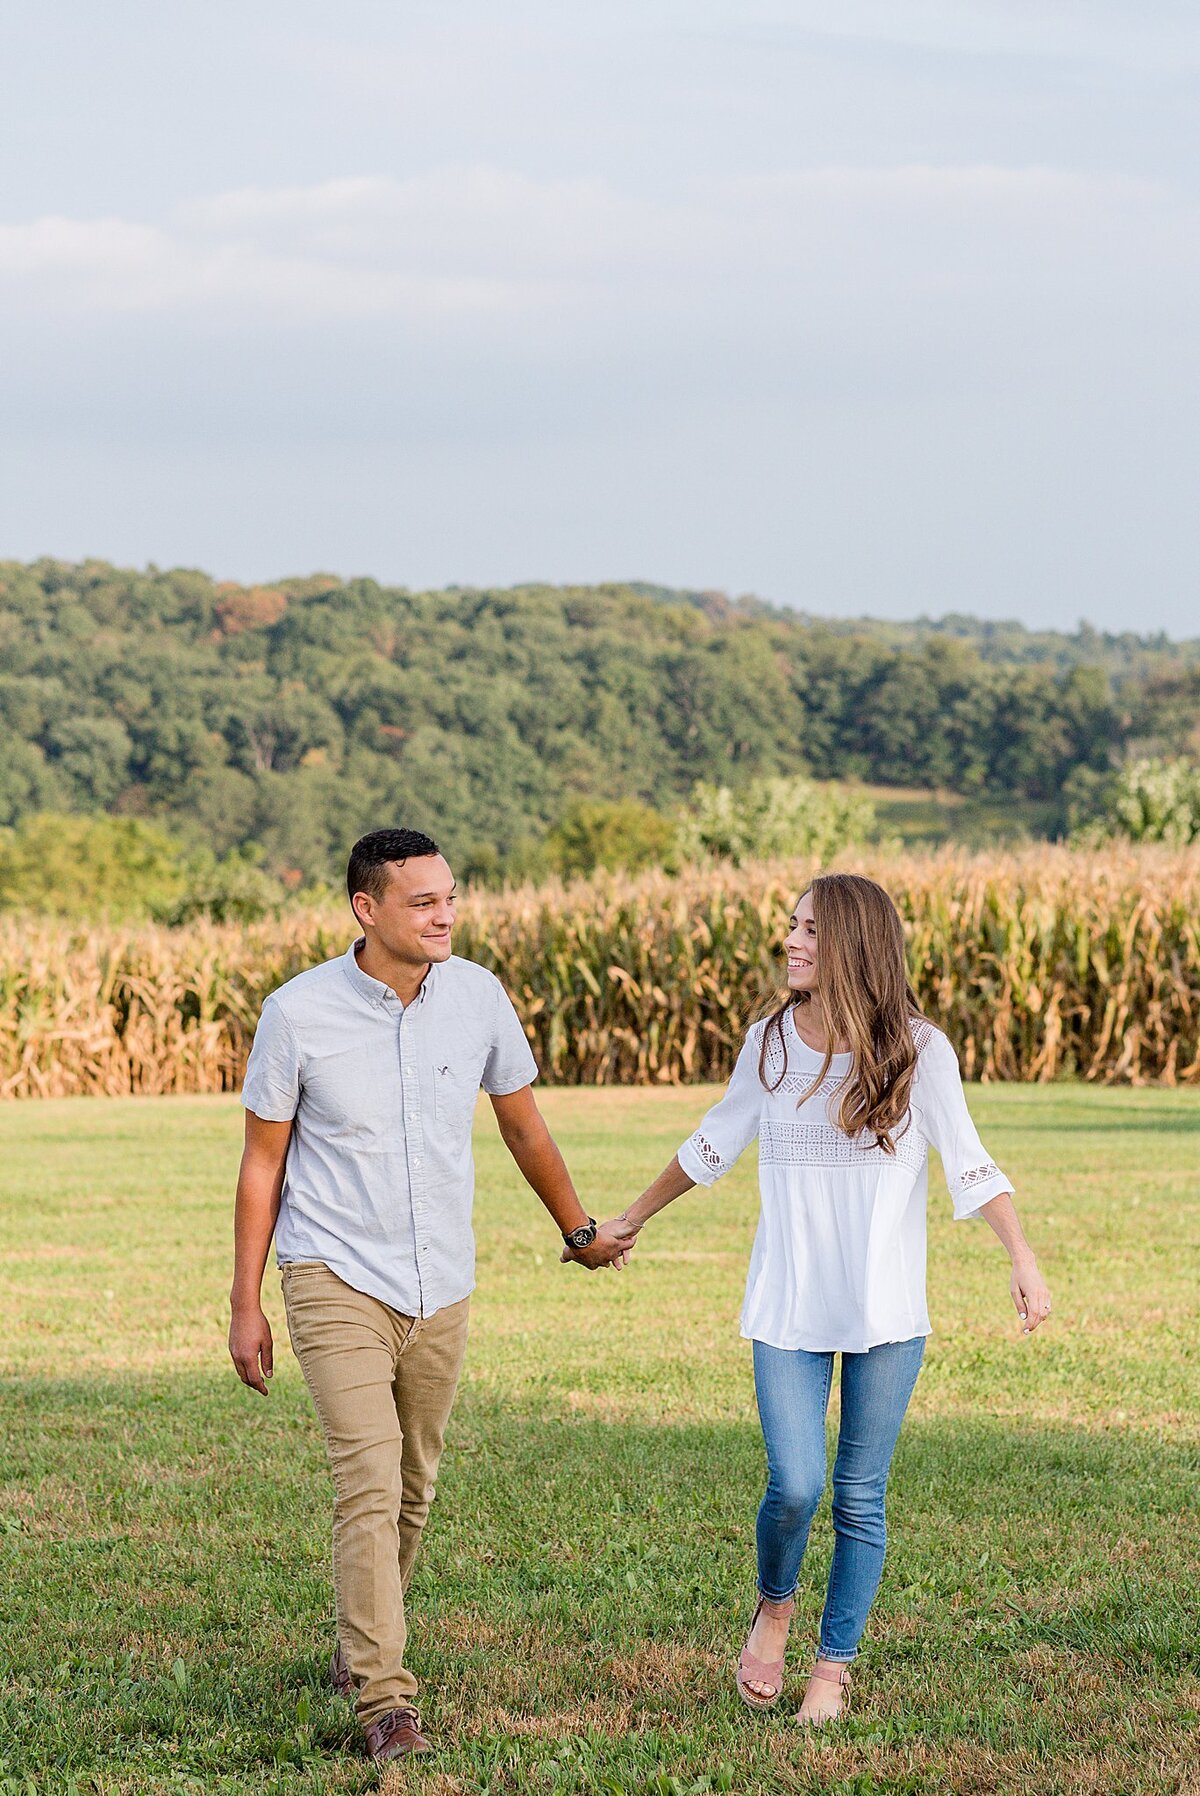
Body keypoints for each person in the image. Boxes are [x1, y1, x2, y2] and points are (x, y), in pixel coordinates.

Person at [596, 872, 1051, 1723]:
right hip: (788, 1303)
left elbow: (971, 1160)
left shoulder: (920, 1050)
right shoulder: (769, 1043)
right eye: (791, 928)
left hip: (886, 1314)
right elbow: (713, 1141)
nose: (792, 943)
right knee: (798, 1483)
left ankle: (832, 1670)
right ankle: (775, 1604)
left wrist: (1021, 1256)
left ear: (854, 944)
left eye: (810, 930)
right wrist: (629, 1218)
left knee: (860, 1497)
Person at [228, 827, 635, 1764]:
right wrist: (246, 1303)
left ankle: (362, 1641)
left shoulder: (480, 996)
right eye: (422, 901)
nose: (444, 912)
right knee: (367, 1478)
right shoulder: (297, 1014)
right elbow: (262, 1164)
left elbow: (524, 1128)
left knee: (413, 1484)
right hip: (333, 1274)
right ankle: (384, 1697)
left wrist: (577, 1231)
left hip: (442, 1279)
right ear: (367, 910)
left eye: (450, 895)